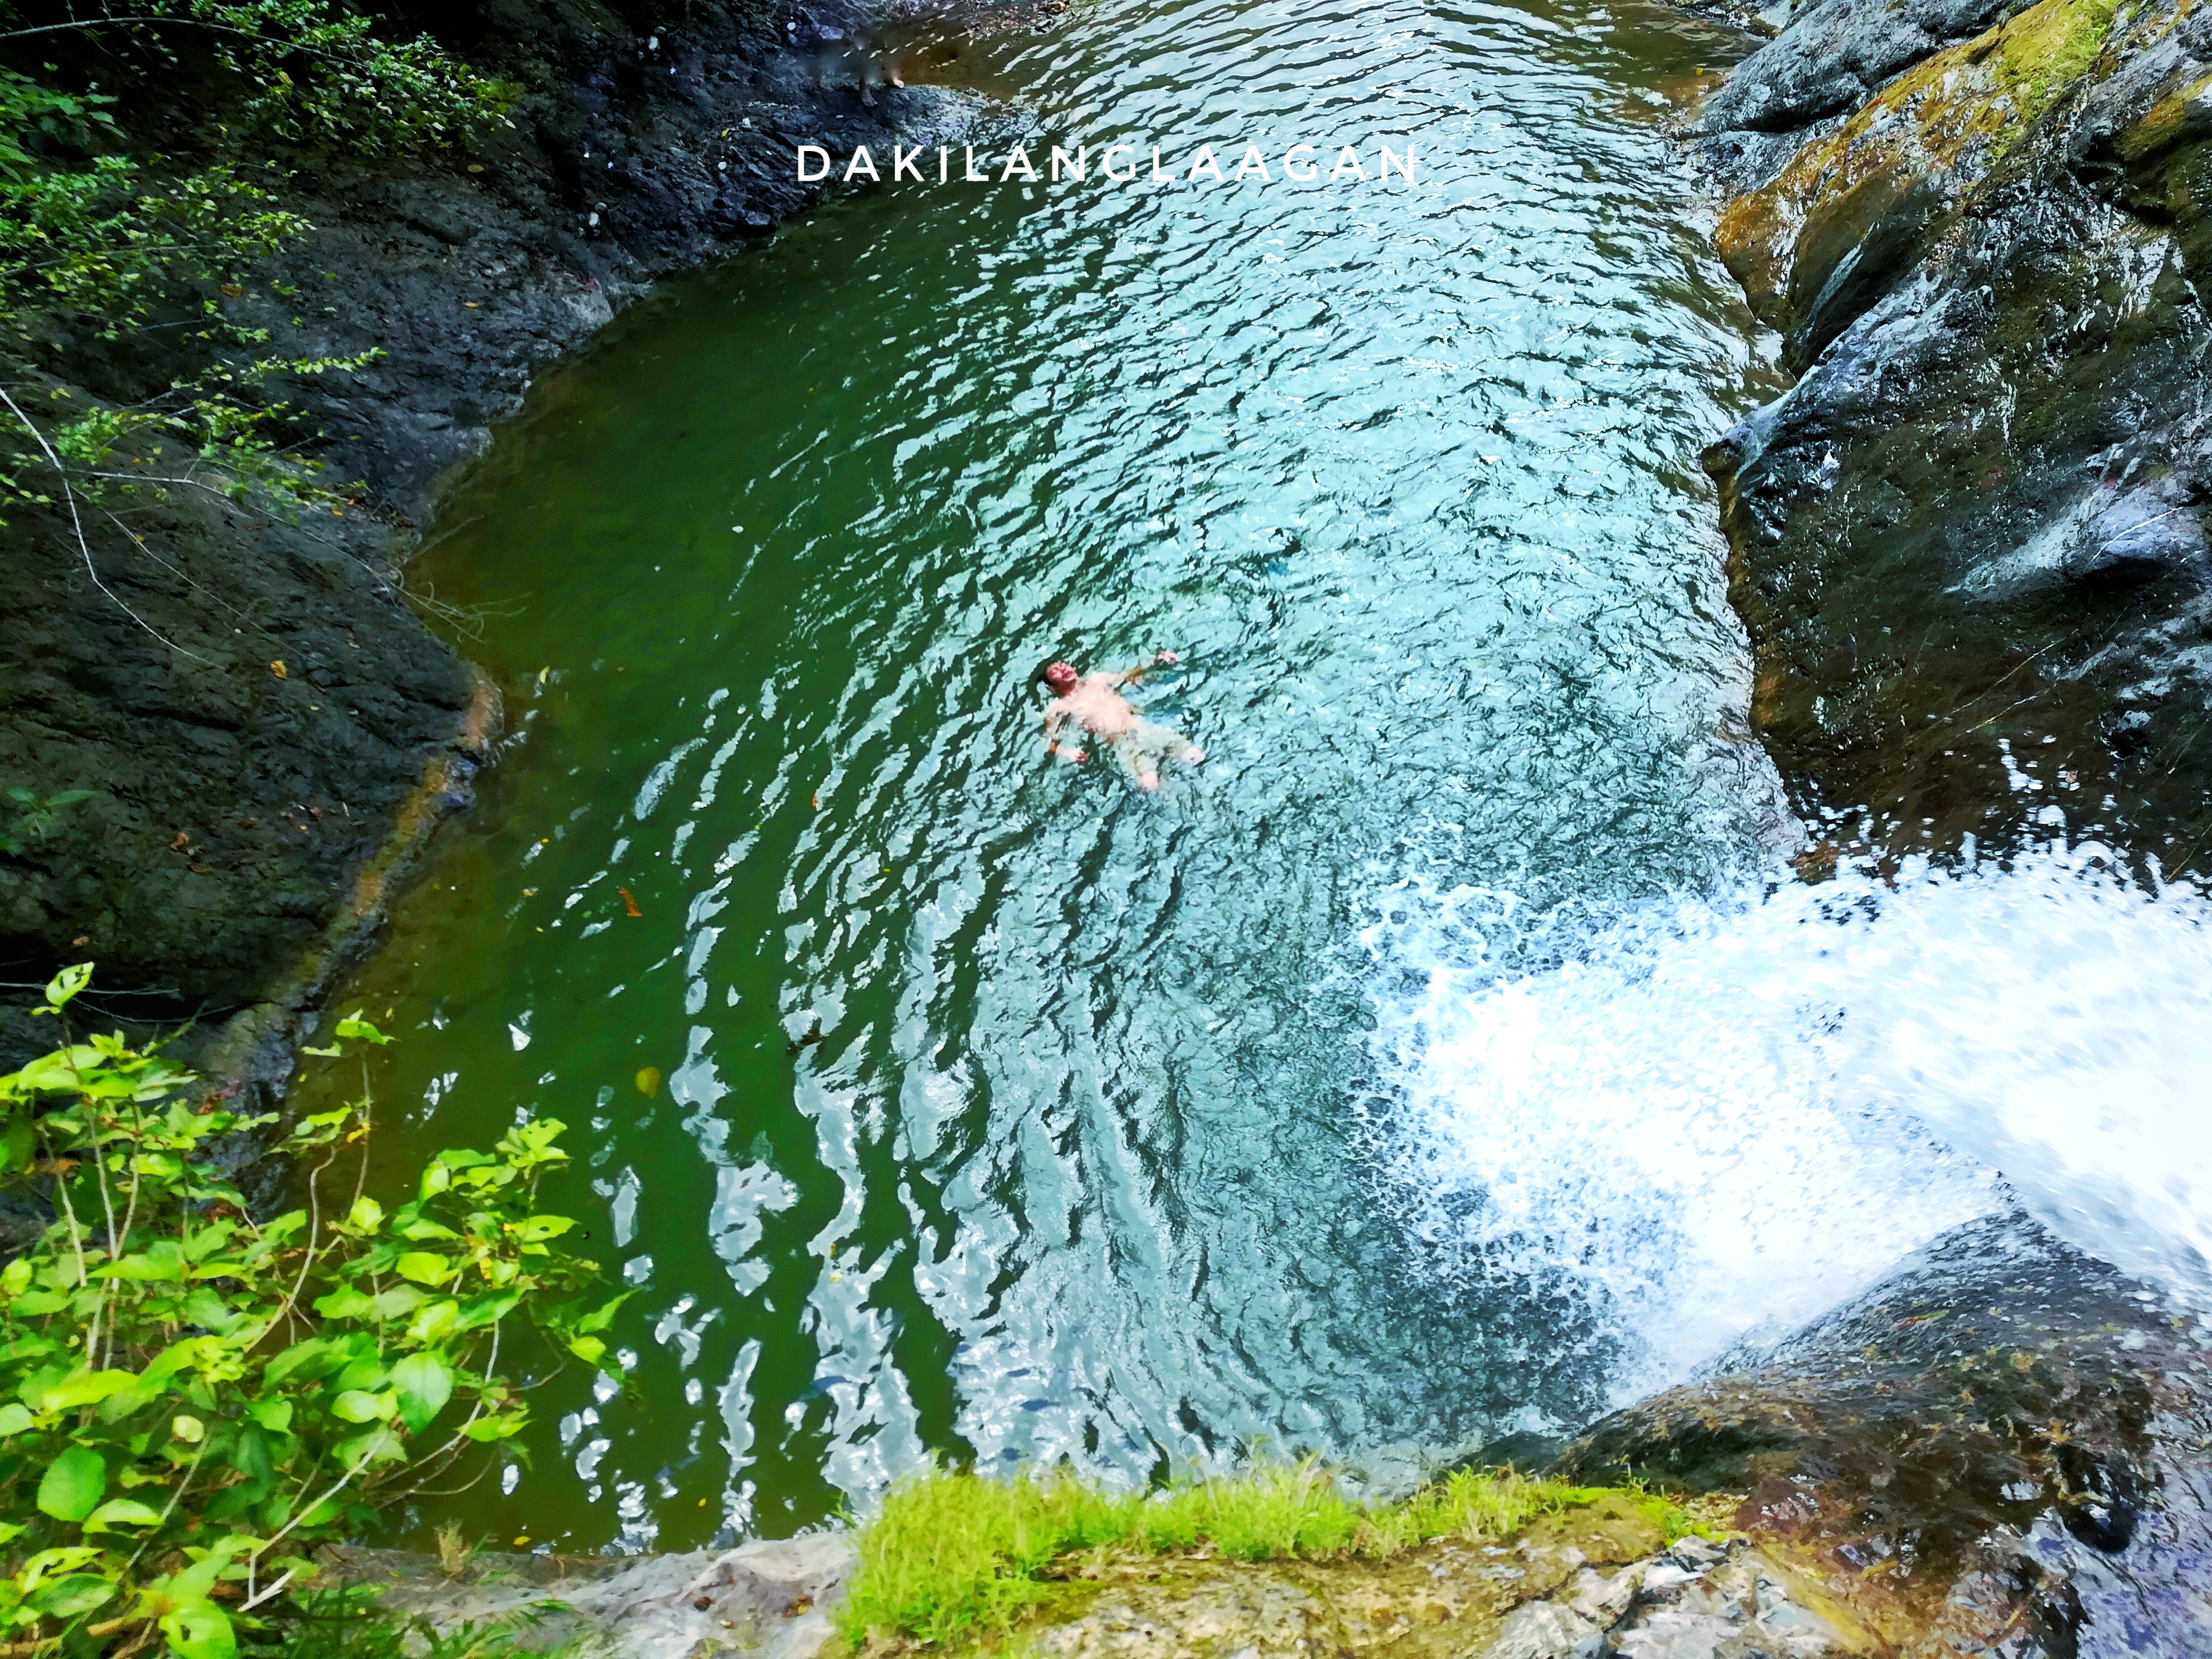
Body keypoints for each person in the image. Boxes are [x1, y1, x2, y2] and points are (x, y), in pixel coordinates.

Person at [1040, 652, 1205, 792]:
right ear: (1051, 687)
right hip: (1123, 746)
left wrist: (1155, 661)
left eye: (1063, 665)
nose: (1063, 670)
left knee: (1195, 756)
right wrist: (1067, 752)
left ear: (1073, 668)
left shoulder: (1097, 680)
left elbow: (1129, 677)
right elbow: (1050, 742)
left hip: (1141, 728)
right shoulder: (1059, 707)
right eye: (1055, 672)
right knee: (1150, 786)